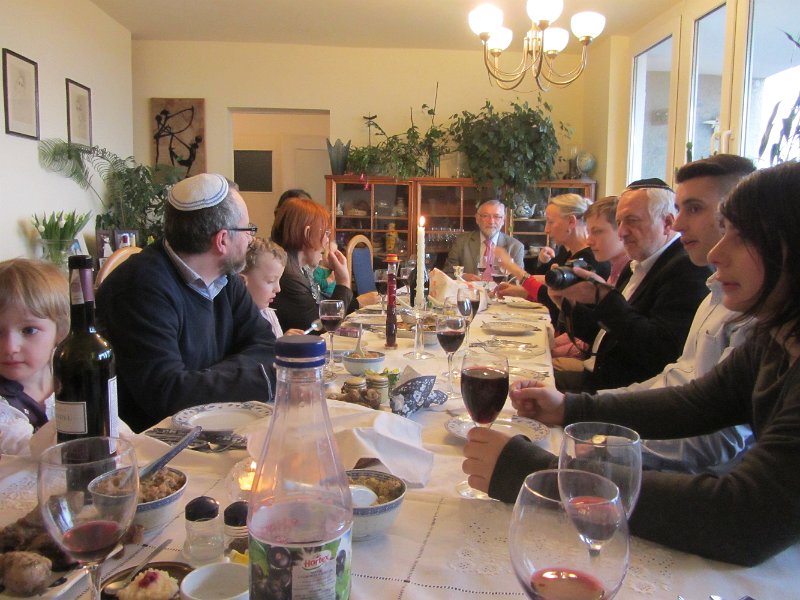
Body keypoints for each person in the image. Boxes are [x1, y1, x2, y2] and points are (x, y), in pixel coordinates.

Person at [463, 162, 800, 566]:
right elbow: (697, 402)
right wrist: (570, 409)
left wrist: (545, 475)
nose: (717, 253)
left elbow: (747, 517)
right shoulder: (775, 338)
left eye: (743, 238)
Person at [96, 173, 276, 432]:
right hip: (155, 444)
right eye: (247, 230)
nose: (251, 239)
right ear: (222, 240)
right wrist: (258, 377)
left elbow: (265, 344)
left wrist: (203, 378)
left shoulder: (225, 278)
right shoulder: (139, 288)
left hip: (219, 425)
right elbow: (168, 395)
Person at [611, 154, 756, 473]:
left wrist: (610, 446)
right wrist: (587, 410)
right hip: (665, 455)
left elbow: (722, 437)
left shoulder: (750, 308)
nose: (677, 224)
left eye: (693, 209)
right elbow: (676, 378)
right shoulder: (713, 291)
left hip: (702, 481)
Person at [551, 178, 711, 393]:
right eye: (619, 222)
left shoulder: (687, 268)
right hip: (599, 378)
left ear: (667, 223)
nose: (622, 232)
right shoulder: (637, 264)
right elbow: (606, 337)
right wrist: (567, 303)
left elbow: (660, 352)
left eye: (632, 221)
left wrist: (605, 299)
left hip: (628, 395)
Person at [494, 194, 610, 323]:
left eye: (550, 222)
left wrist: (511, 267)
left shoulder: (590, 259)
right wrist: (520, 291)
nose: (546, 229)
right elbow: (551, 295)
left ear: (571, 222)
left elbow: (564, 306)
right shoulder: (566, 254)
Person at [0, 259, 69, 455]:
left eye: (29, 330)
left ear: (60, 331)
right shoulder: (5, 409)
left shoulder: (70, 377)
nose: (10, 347)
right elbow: (31, 452)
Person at [550, 196, 628, 360]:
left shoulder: (629, 272)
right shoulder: (616, 270)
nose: (589, 240)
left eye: (597, 231)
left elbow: (616, 341)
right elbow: (598, 331)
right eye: (589, 231)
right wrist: (565, 303)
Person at [270, 197, 356, 332]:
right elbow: (321, 329)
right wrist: (343, 282)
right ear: (307, 233)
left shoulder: (298, 268)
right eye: (325, 233)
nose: (327, 241)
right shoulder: (289, 276)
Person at [443, 199, 524, 281]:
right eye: (485, 216)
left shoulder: (515, 247)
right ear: (477, 219)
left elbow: (518, 281)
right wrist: (463, 277)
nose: (491, 221)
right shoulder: (462, 242)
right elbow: (448, 274)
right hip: (469, 289)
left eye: (496, 217)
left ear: (503, 220)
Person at [240, 237, 304, 337]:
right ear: (241, 282)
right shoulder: (237, 322)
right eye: (271, 281)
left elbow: (272, 344)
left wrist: (283, 341)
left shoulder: (268, 314)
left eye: (278, 280)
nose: (278, 289)